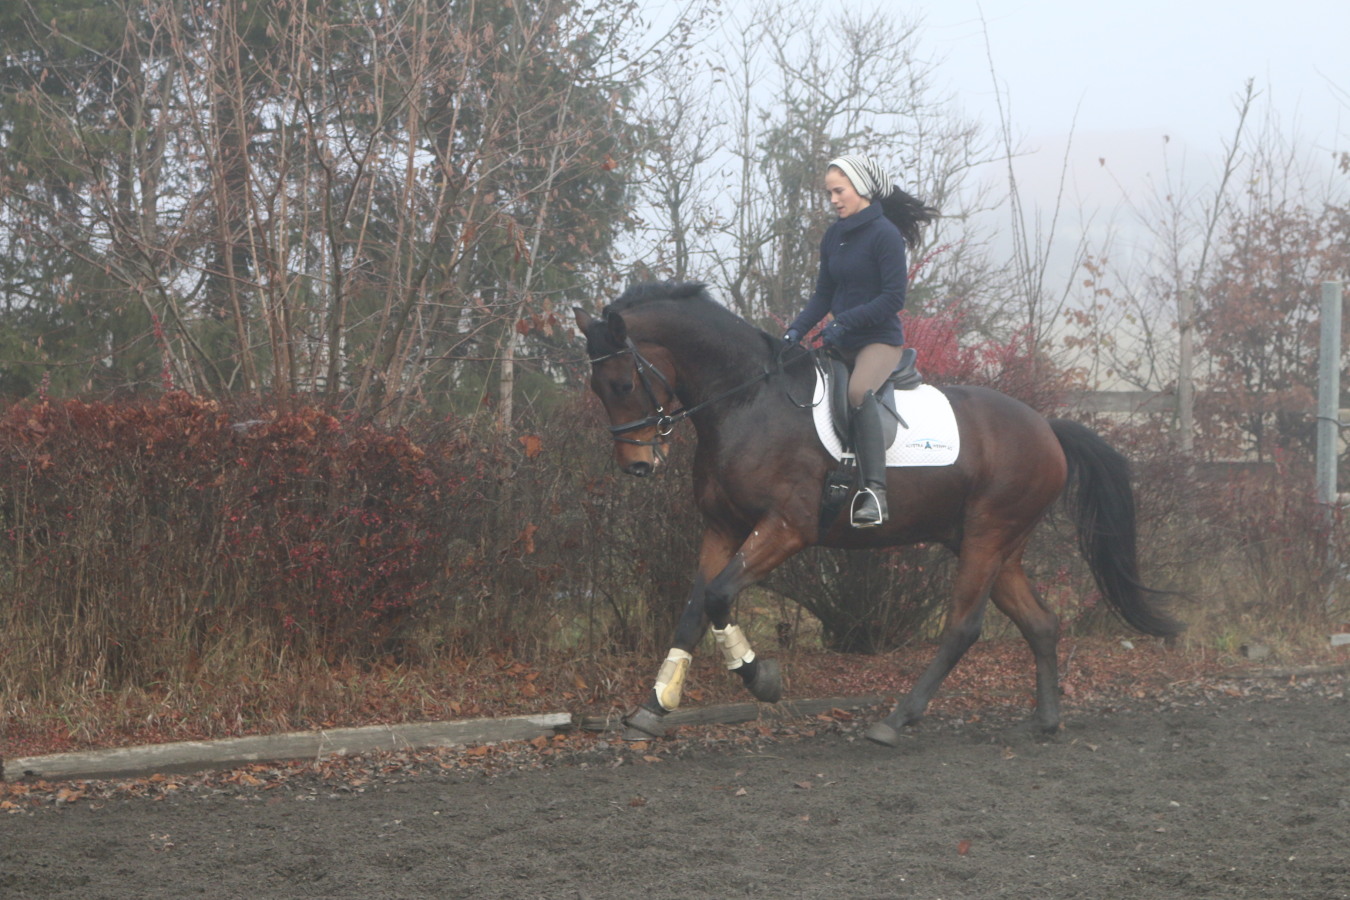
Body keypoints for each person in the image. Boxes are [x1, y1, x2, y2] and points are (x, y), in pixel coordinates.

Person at [783, 155, 938, 528]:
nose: (834, 199)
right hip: (840, 340)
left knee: (857, 393)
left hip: (878, 342)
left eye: (840, 191)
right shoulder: (834, 235)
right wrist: (794, 331)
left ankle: (874, 492)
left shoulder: (885, 234)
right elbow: (823, 294)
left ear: (862, 189)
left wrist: (846, 321)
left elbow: (892, 299)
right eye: (830, 193)